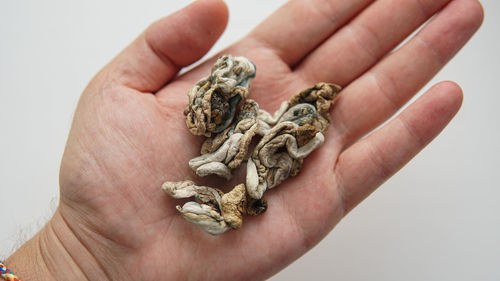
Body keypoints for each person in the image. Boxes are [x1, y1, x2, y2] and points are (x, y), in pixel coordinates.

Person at [3, 0, 483, 280]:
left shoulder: (278, 137)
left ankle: (233, 191)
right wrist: (76, 254)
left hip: (248, 163)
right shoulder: (232, 125)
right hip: (233, 163)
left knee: (255, 165)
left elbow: (281, 144)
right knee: (236, 164)